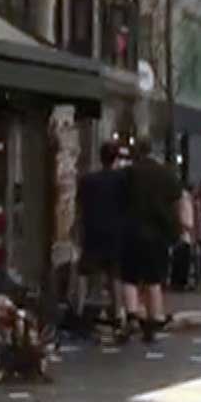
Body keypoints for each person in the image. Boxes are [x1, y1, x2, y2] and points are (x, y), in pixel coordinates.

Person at [119, 140, 182, 343]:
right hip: (157, 233)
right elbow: (177, 200)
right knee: (154, 279)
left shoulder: (128, 174)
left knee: (129, 278)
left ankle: (132, 316)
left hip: (131, 232)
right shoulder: (165, 174)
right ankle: (153, 322)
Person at [74, 142, 126, 334]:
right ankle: (118, 314)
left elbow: (79, 207)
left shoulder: (88, 180)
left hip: (92, 230)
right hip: (115, 232)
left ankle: (81, 309)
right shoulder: (122, 179)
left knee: (85, 272)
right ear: (116, 158)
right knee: (115, 275)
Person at [170, 180, 196, 291]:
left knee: (183, 258)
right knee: (182, 258)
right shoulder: (184, 199)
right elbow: (183, 215)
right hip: (183, 231)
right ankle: (180, 282)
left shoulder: (184, 198)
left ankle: (179, 281)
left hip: (184, 230)